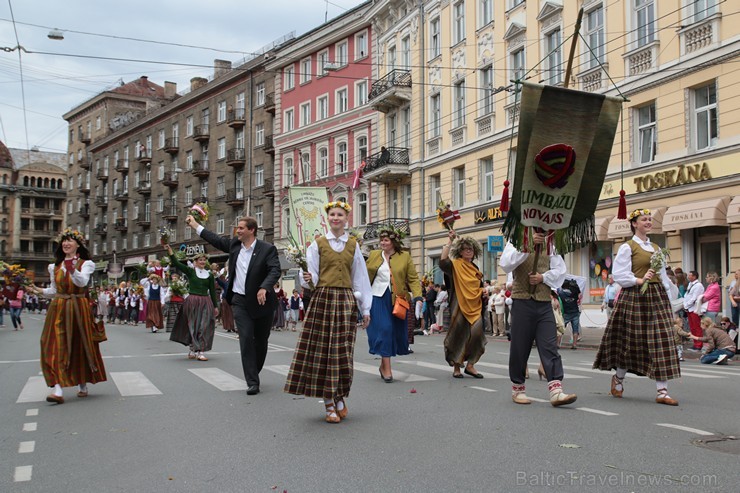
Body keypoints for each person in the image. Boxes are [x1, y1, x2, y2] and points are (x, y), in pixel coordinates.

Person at [284, 201, 372, 423]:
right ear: (328, 218)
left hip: (345, 301)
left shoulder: (353, 245)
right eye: (332, 214)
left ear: (346, 219)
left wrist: (366, 308)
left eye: (340, 215)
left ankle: (340, 394)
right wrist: (307, 279)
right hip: (323, 299)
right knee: (323, 352)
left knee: (342, 351)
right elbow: (312, 277)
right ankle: (329, 402)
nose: (336, 218)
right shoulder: (318, 244)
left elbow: (360, 278)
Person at [593, 209, 681, 406]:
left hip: (656, 297)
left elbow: (664, 277)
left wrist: (669, 301)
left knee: (662, 340)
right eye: (644, 220)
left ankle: (662, 391)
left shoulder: (656, 247)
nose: (648, 222)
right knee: (630, 341)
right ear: (634, 223)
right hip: (635, 296)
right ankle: (619, 378)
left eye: (650, 219)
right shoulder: (628, 247)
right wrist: (639, 279)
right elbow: (619, 275)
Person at [187, 215, 280, 395]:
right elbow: (214, 239)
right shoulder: (234, 246)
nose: (237, 231)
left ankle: (254, 369)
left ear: (251, 230)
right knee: (245, 339)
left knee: (261, 341)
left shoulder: (267, 249)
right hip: (239, 301)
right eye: (238, 228)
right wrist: (195, 225)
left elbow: (274, 270)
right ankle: (252, 381)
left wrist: (264, 287)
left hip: (262, 302)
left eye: (241, 228)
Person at [28, 228, 106, 404]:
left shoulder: (86, 264)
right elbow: (54, 291)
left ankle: (82, 382)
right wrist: (38, 290)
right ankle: (57, 389)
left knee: (79, 344)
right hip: (59, 307)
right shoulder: (54, 266)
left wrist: (71, 268)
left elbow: (82, 282)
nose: (66, 243)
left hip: (78, 308)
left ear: (78, 244)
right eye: (64, 241)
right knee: (53, 345)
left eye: (70, 240)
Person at [501, 231, 576, 406]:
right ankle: (518, 387)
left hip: (543, 302)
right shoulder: (516, 240)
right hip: (522, 301)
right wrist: (526, 246)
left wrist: (543, 277)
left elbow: (560, 271)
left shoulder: (549, 244)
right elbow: (506, 264)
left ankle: (556, 390)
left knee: (549, 345)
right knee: (520, 347)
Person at [365, 225, 422, 383]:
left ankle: (384, 365)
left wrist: (418, 297)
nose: (382, 243)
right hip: (377, 298)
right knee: (385, 329)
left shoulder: (405, 256)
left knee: (393, 332)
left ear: (394, 242)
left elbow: (412, 279)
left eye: (386, 240)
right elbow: (363, 273)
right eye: (381, 240)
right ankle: (388, 369)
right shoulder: (374, 254)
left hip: (397, 299)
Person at [440, 230, 487, 380]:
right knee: (459, 335)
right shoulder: (455, 266)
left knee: (477, 335)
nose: (468, 251)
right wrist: (450, 241)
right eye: (465, 249)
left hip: (475, 306)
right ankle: (457, 366)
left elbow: (478, 286)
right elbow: (442, 262)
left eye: (471, 249)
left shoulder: (475, 269)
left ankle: (471, 365)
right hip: (459, 305)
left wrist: (483, 291)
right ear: (460, 251)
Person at [166, 244, 219, 361]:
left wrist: (215, 306)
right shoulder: (190, 271)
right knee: (193, 325)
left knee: (204, 326)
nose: (202, 262)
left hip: (205, 301)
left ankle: (201, 351)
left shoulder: (209, 275)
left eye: (204, 260)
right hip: (193, 301)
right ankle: (192, 347)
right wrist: (170, 251)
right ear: (195, 261)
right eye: (200, 260)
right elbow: (176, 263)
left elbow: (213, 291)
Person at [683, 270, 705, 350]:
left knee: (697, 326)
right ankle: (695, 343)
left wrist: (687, 304)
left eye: (690, 275)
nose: (688, 277)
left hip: (694, 308)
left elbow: (694, 297)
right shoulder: (690, 284)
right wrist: (685, 304)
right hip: (689, 308)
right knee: (692, 327)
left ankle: (699, 344)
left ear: (694, 276)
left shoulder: (698, 285)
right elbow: (687, 295)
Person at [558, 279, 582, 350]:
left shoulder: (561, 293)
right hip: (575, 312)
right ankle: (574, 344)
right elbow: (578, 297)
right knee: (575, 329)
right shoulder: (574, 292)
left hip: (566, 313)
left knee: (561, 329)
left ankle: (558, 344)